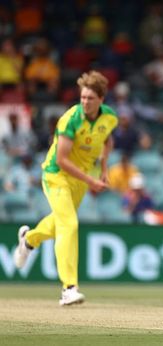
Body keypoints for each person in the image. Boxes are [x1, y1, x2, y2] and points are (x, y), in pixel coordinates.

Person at [13, 71, 118, 306]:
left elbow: (107, 140)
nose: (85, 102)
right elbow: (62, 160)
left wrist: (103, 167)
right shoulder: (71, 119)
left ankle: (28, 239)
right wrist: (92, 181)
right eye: (82, 97)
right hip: (56, 175)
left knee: (59, 222)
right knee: (69, 224)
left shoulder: (109, 117)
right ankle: (69, 288)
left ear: (101, 99)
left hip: (80, 179)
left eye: (90, 98)